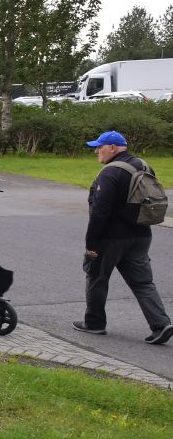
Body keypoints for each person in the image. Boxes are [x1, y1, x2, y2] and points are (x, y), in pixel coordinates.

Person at [74, 131, 173, 344]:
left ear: (112, 147)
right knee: (143, 283)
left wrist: (91, 243)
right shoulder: (143, 165)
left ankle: (94, 323)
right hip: (141, 235)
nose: (96, 151)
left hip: (111, 239)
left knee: (97, 278)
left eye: (100, 146)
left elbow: (100, 212)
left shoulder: (110, 172)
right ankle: (161, 324)